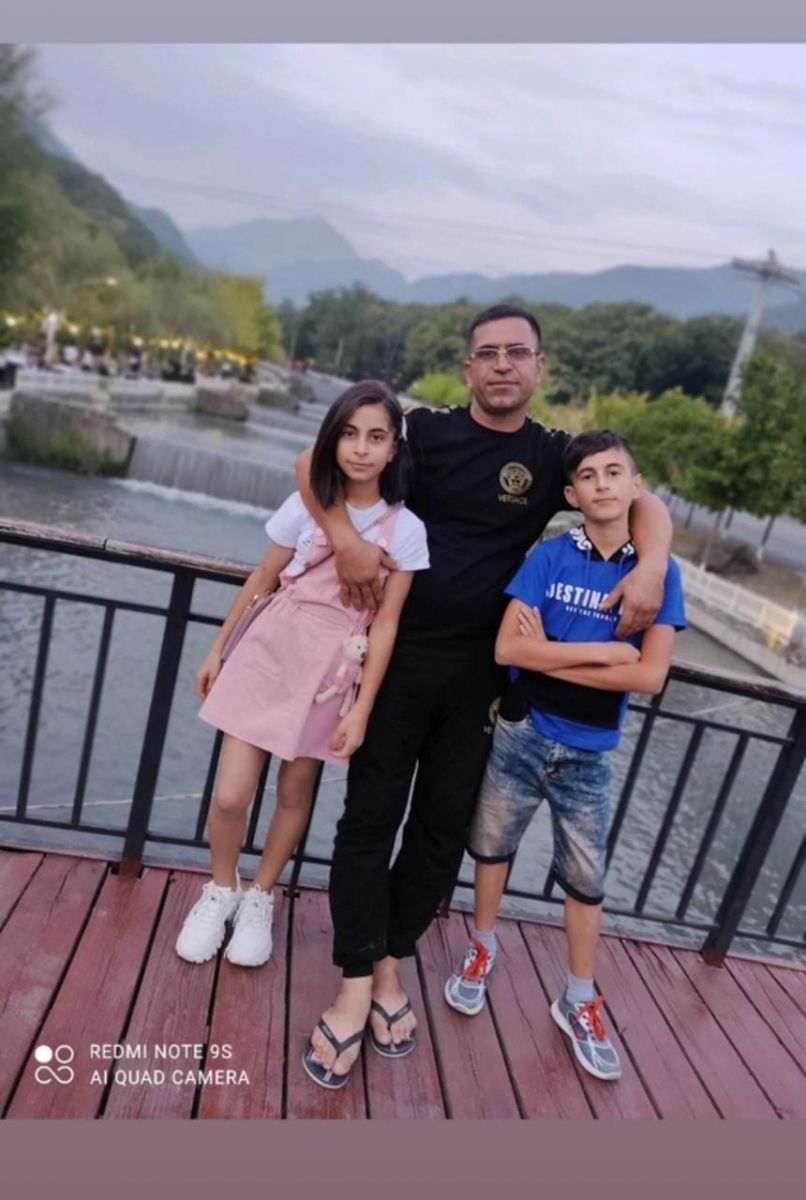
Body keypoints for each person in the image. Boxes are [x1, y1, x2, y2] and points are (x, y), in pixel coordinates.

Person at [297, 304, 673, 1088]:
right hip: (396, 661)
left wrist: (649, 567)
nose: (503, 364)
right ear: (468, 367)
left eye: (517, 352)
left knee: (440, 833)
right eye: (488, 353)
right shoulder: (424, 432)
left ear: (539, 367)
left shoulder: (551, 454)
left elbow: (643, 499)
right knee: (368, 819)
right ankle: (356, 977)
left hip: (483, 682)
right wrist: (345, 539)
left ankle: (394, 958)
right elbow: (316, 462)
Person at [443, 429, 686, 1081]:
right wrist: (603, 652)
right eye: (588, 476)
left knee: (585, 878)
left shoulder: (658, 573)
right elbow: (507, 650)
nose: (602, 484)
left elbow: (649, 675)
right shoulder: (550, 557)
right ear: (572, 494)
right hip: (522, 731)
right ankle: (482, 945)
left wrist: (548, 654)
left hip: (590, 750)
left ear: (636, 486)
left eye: (614, 472)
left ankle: (578, 995)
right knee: (492, 846)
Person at [175, 381, 429, 982]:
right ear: (332, 439)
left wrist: (361, 709)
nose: (361, 448)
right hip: (268, 652)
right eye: (349, 434)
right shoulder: (310, 502)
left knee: (294, 791)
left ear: (393, 449)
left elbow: (386, 624)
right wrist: (218, 648)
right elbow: (263, 577)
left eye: (376, 437)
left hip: (330, 671)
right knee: (231, 794)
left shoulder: (406, 530)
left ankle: (261, 896)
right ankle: (220, 889)